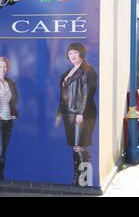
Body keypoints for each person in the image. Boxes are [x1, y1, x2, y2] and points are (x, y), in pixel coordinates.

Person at [55, 43, 97, 186]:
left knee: (79, 146)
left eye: (75, 52)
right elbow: (64, 95)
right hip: (68, 114)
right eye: (70, 53)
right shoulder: (69, 71)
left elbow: (87, 92)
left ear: (81, 53)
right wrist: (59, 113)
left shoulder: (88, 70)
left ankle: (82, 179)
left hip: (81, 114)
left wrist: (81, 112)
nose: (72, 55)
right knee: (74, 146)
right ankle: (77, 175)